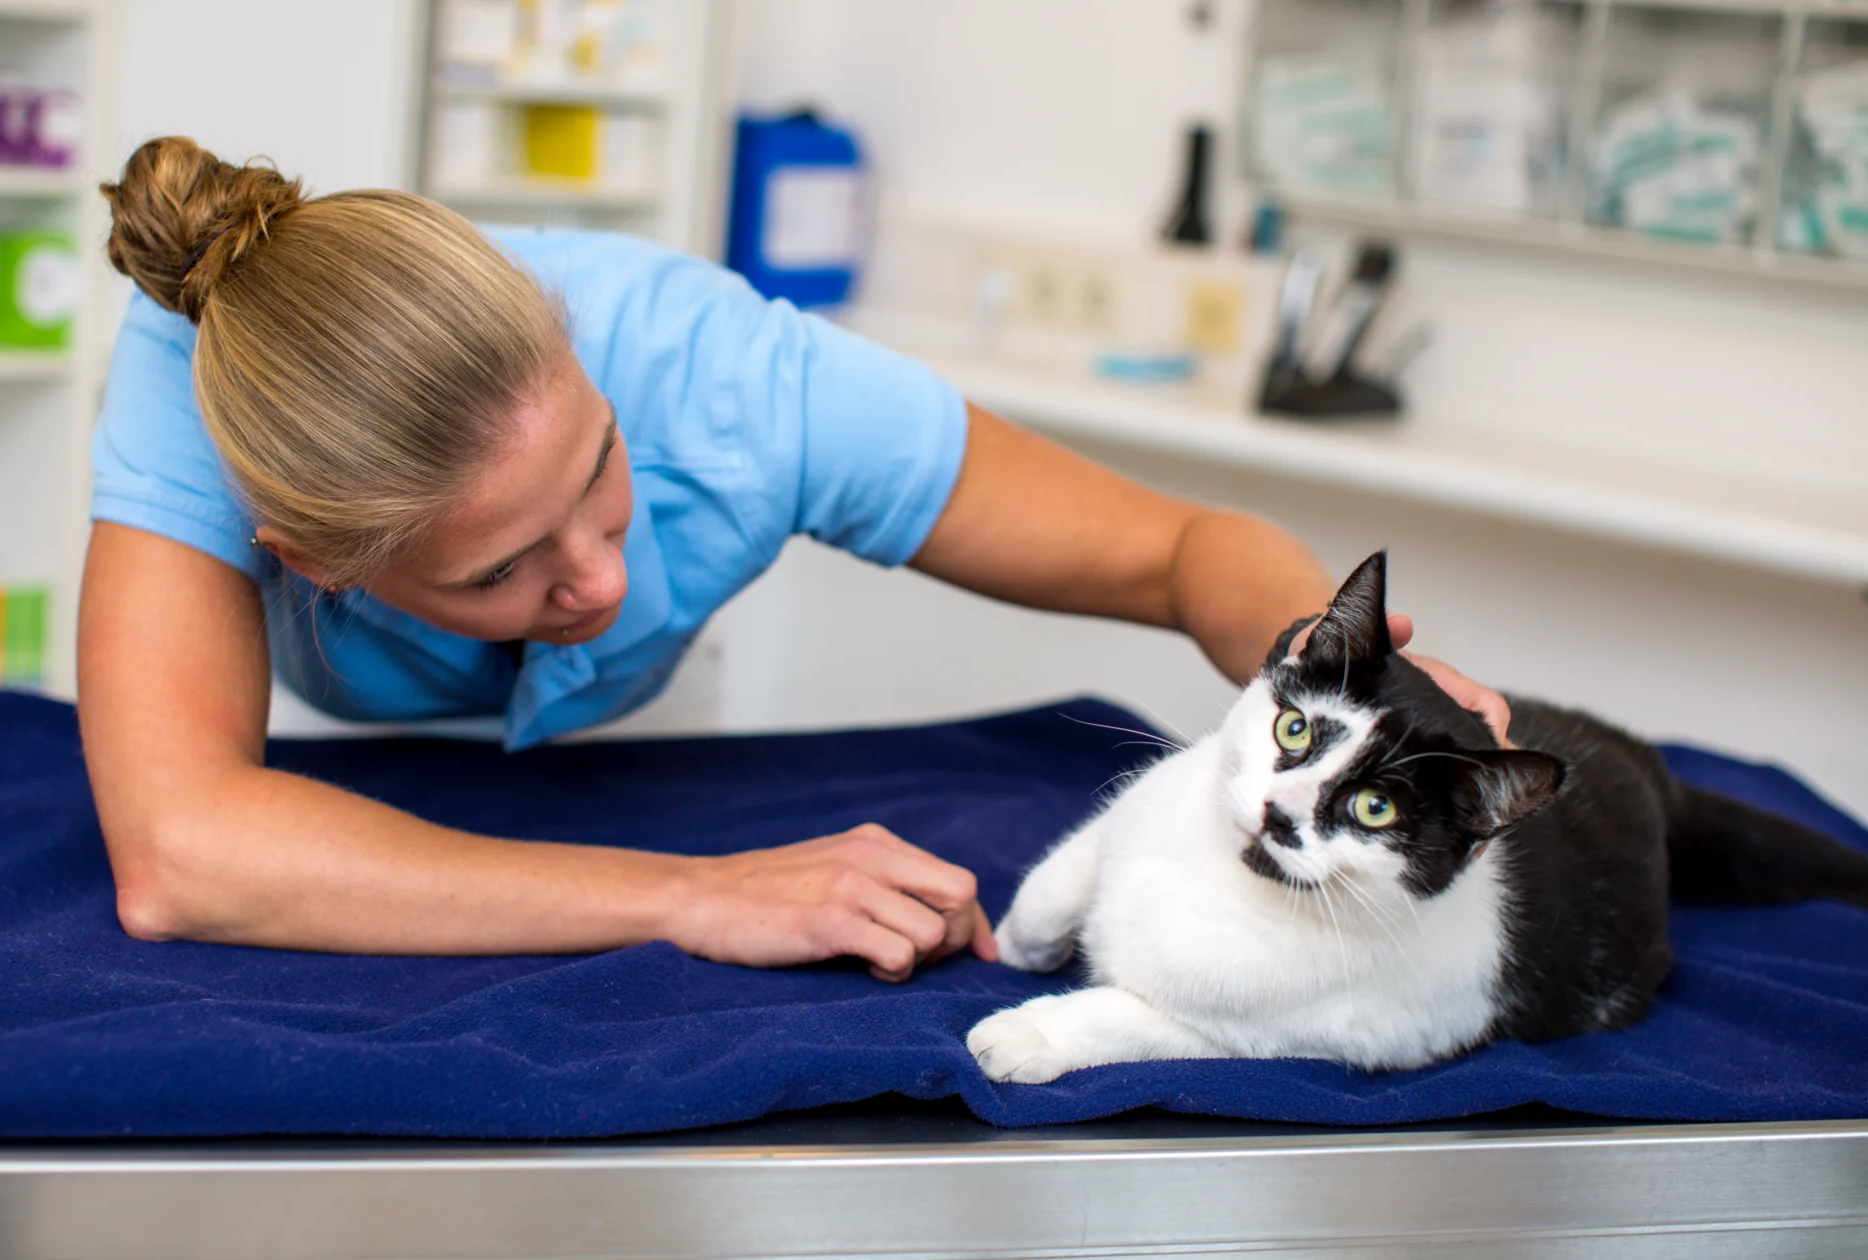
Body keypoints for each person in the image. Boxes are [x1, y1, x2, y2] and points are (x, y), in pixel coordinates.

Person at [81, 137, 1510, 982]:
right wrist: (689, 893)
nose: (600, 585)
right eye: (500, 574)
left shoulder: (740, 385)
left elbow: (1182, 554)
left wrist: (1356, 668)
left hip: (619, 741)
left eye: (603, 478)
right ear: (309, 561)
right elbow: (182, 855)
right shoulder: (199, 389)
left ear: (580, 349)